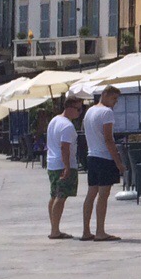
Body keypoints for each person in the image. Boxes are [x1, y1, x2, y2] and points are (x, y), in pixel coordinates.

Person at [80, 85, 124, 242]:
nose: (115, 102)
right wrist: (118, 162)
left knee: (91, 194)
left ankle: (86, 231)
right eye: (114, 98)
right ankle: (100, 231)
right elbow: (109, 139)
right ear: (104, 95)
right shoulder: (107, 112)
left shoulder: (89, 111)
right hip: (104, 158)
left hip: (92, 156)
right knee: (103, 195)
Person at [45, 96, 84, 240]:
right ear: (69, 108)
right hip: (62, 164)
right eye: (78, 109)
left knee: (54, 195)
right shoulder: (67, 126)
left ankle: (54, 228)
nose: (80, 112)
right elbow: (65, 148)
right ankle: (55, 231)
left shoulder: (54, 120)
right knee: (61, 197)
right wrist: (67, 167)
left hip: (52, 163)